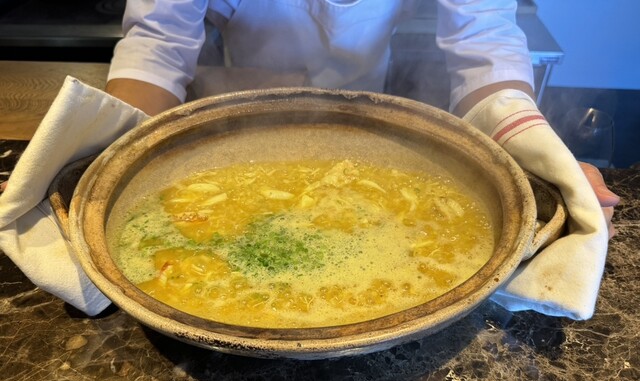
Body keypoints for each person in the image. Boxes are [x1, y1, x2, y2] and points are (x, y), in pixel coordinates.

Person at [103, 0, 619, 236]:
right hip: (242, 129)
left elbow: (484, 39)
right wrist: (108, 159)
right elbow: (158, 42)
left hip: (367, 126)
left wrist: (536, 155)